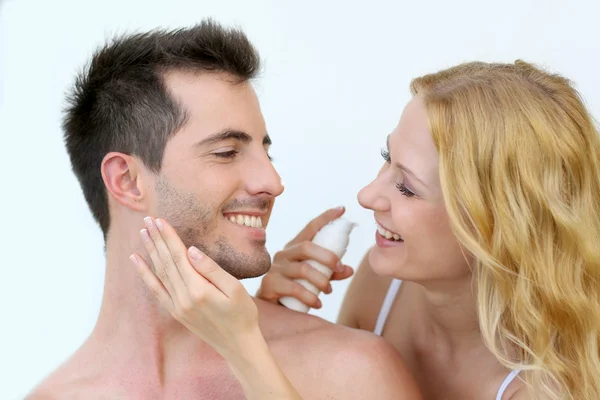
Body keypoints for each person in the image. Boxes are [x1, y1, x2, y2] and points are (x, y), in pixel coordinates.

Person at [148, 60, 600, 399]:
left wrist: (244, 346)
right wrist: (280, 321)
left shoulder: (546, 387)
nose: (367, 195)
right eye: (387, 159)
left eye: (406, 187)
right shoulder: (382, 287)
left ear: (494, 226)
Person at [26, 20, 422, 400]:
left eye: (265, 151)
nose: (273, 181)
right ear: (127, 181)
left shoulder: (347, 372)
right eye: (227, 152)